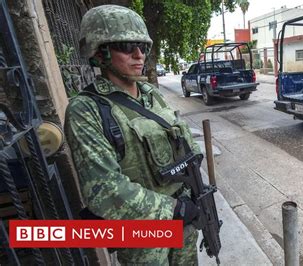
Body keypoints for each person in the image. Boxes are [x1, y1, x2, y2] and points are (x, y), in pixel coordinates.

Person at [64, 5, 201, 265]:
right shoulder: (86, 109)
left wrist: (195, 188)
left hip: (184, 222)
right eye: (127, 46)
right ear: (100, 52)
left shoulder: (151, 94)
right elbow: (105, 190)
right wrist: (173, 210)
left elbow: (183, 139)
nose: (139, 55)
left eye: (143, 47)